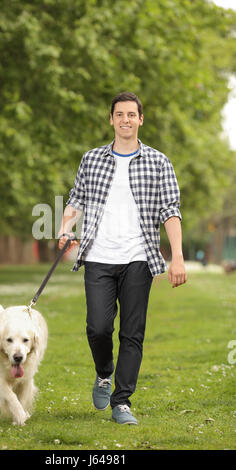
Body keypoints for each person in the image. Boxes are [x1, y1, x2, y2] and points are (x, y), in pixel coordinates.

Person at [58, 91, 187, 425]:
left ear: (141, 119)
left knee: (132, 332)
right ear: (111, 119)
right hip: (99, 256)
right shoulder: (92, 159)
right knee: (98, 327)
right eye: (120, 115)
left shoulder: (159, 162)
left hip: (139, 258)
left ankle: (122, 402)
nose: (126, 120)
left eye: (132, 114)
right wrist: (64, 227)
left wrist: (177, 257)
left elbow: (170, 211)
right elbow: (77, 198)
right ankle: (104, 372)